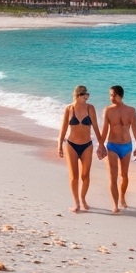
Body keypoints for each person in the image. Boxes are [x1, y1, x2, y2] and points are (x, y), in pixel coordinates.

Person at [57, 85, 105, 213]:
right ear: (77, 95)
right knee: (74, 177)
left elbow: (95, 127)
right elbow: (63, 128)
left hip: (87, 145)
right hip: (71, 144)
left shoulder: (90, 108)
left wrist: (101, 144)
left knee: (85, 175)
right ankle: (76, 203)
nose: (87, 96)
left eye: (88, 94)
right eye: (84, 94)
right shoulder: (69, 109)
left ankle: (83, 198)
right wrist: (59, 144)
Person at [101, 85, 136, 213]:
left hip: (126, 146)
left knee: (124, 175)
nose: (111, 98)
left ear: (120, 95)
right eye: (110, 95)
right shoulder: (108, 110)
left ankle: (122, 196)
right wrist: (100, 145)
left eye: (113, 95)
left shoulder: (131, 111)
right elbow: (104, 130)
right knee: (113, 176)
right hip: (112, 145)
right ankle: (115, 205)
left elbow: (135, 128)